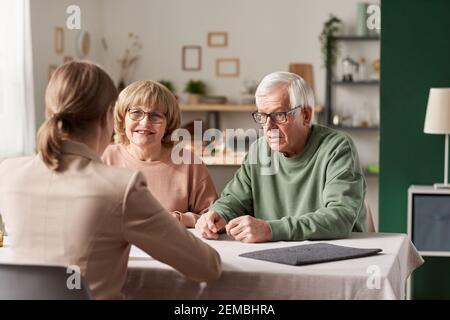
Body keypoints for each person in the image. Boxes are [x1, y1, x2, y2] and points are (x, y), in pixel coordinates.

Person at [0, 61, 221, 299]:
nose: (145, 122)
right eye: (135, 113)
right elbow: (207, 267)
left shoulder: (7, 173)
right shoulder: (121, 186)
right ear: (110, 116)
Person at [196, 71, 367, 243]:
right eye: (262, 116)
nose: (268, 126)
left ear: (306, 116)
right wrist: (217, 214)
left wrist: (271, 230)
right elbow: (234, 199)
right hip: (272, 255)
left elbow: (340, 217)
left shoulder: (337, 148)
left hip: (336, 254)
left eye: (279, 115)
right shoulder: (259, 150)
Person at [102, 80, 217, 227]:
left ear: (168, 124)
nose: (145, 123)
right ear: (122, 117)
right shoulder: (104, 158)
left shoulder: (189, 163)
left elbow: (213, 219)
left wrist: (179, 219)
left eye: (155, 116)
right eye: (136, 112)